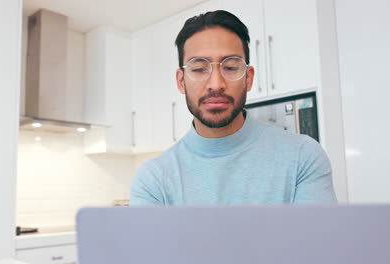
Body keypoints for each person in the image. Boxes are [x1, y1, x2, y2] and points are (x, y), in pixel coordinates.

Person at [130, 10, 337, 205]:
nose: (216, 84)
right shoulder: (153, 180)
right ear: (181, 81)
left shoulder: (303, 157)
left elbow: (317, 242)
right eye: (200, 69)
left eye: (230, 67)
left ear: (248, 77)